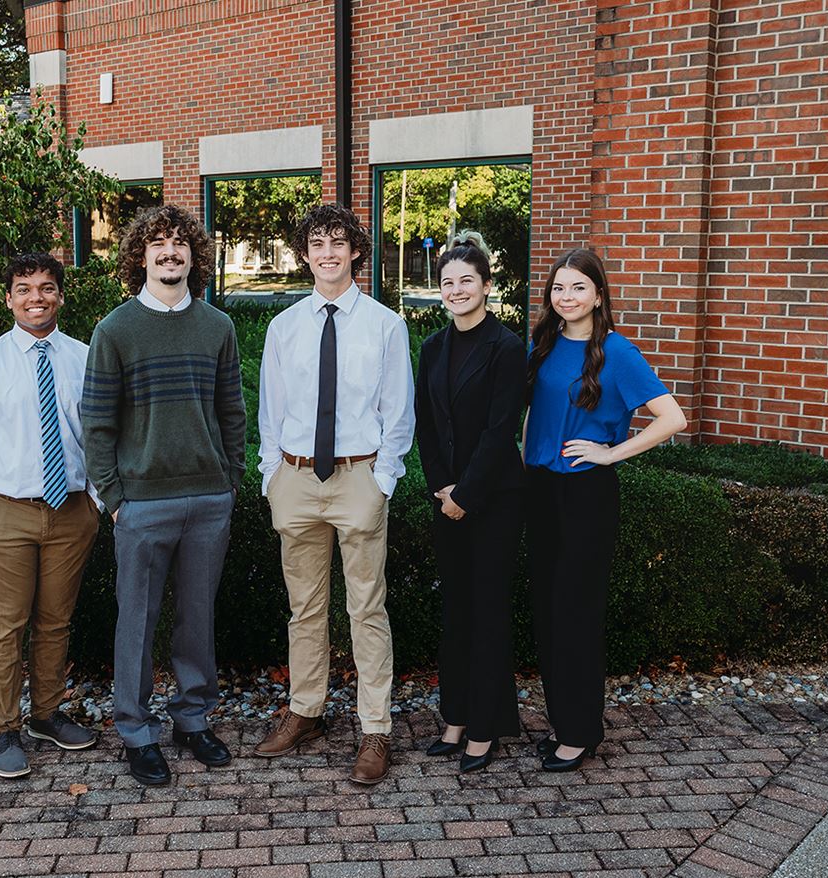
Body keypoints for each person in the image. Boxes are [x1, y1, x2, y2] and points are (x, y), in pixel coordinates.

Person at [81, 205, 247, 786]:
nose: (170, 253)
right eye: (158, 244)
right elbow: (96, 421)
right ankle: (135, 731)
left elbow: (232, 410)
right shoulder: (114, 330)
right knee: (138, 621)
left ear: (193, 256)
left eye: (180, 243)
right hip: (142, 504)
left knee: (197, 619)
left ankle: (193, 720)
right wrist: (114, 496)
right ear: (140, 256)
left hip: (208, 499)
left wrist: (232, 478)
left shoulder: (218, 327)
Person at [255, 204, 414, 785]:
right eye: (317, 243)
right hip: (296, 480)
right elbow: (271, 411)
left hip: (358, 478)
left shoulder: (384, 325)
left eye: (338, 243)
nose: (328, 253)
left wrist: (384, 480)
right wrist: (272, 475)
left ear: (355, 252)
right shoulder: (284, 326)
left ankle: (375, 728)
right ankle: (306, 711)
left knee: (367, 608)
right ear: (305, 254)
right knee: (304, 608)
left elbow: (398, 414)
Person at [524, 248, 687, 771]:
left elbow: (672, 418)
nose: (566, 298)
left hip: (586, 495)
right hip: (540, 490)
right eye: (558, 288)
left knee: (575, 613)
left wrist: (610, 452)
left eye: (577, 288)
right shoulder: (543, 345)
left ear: (598, 294)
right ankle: (561, 721)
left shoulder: (616, 352)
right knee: (548, 612)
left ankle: (580, 733)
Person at [0, 253, 102, 780]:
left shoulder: (85, 358)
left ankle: (46, 715)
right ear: (8, 298)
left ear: (60, 296)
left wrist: (97, 502)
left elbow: (99, 435)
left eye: (47, 288)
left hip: (70, 511)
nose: (37, 297)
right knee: (5, 625)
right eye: (25, 288)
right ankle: (3, 728)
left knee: (56, 622)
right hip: (2, 513)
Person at [413, 232, 526, 773]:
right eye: (447, 282)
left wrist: (467, 493)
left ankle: (485, 725)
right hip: (446, 499)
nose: (456, 290)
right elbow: (427, 428)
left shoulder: (507, 348)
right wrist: (441, 488)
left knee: (486, 611)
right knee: (455, 612)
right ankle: (454, 718)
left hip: (494, 500)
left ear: (486, 285)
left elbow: (501, 431)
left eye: (466, 280)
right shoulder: (432, 347)